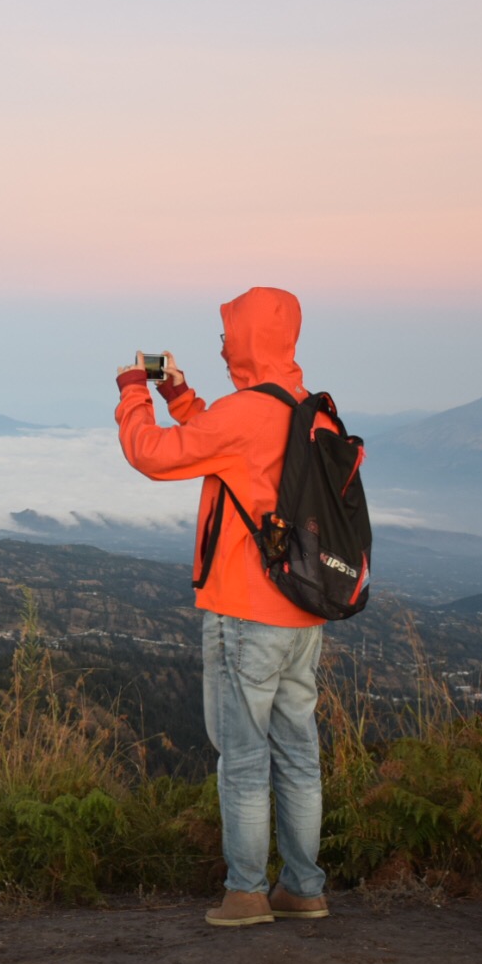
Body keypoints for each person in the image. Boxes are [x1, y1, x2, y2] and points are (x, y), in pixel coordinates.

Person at [114, 286, 331, 928]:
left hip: (246, 610)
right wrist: (181, 398)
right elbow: (229, 448)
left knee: (241, 754)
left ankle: (245, 893)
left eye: (226, 335)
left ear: (244, 340)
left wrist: (135, 389)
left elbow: (150, 455)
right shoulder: (310, 410)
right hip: (303, 611)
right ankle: (304, 888)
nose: (221, 345)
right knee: (297, 751)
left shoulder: (245, 414)